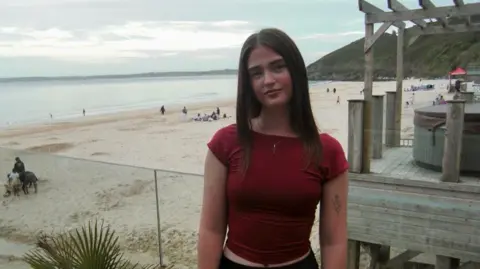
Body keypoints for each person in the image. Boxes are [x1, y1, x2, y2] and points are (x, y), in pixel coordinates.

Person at [198, 28, 348, 269]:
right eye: (256, 73)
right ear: (248, 83)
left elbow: (334, 241)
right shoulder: (225, 144)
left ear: (295, 71)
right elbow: (211, 230)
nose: (268, 80)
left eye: (278, 67)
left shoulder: (328, 152)